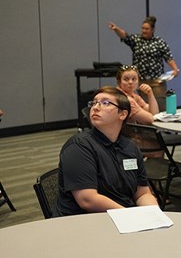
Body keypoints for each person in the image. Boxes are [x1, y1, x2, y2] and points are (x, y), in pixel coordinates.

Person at [56, 86, 158, 216]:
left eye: (105, 103)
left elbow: (142, 193)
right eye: (94, 102)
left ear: (122, 114)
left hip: (123, 216)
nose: (96, 107)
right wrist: (131, 216)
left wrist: (154, 214)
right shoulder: (79, 146)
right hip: (86, 221)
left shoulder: (130, 148)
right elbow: (87, 200)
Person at [109, 16, 179, 111]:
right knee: (144, 106)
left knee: (160, 106)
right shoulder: (137, 40)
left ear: (153, 30)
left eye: (146, 29)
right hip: (141, 80)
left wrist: (175, 69)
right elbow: (125, 36)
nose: (144, 31)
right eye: (142, 28)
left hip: (157, 81)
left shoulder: (159, 42)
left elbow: (168, 57)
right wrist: (116, 29)